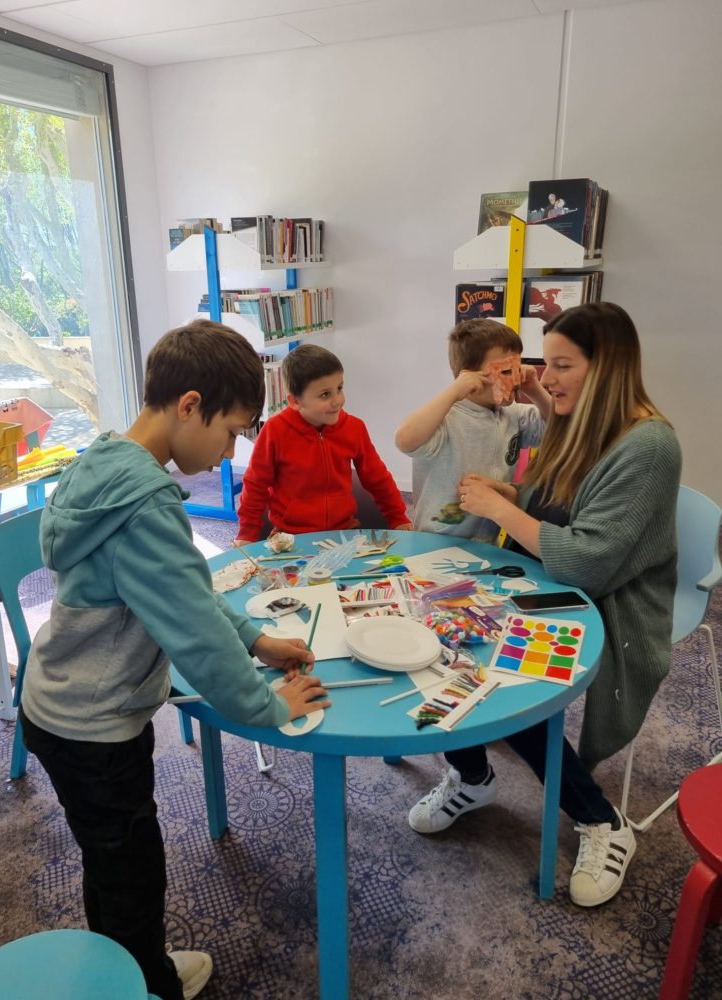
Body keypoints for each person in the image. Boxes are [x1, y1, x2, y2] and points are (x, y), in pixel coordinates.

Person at [19, 320, 331, 1000]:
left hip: (66, 707)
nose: (230, 453)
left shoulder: (109, 464)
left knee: (116, 866)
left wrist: (255, 639)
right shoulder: (145, 508)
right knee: (130, 878)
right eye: (231, 432)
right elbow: (195, 637)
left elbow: (187, 595)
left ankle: (136, 973)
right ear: (189, 404)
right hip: (91, 728)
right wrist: (269, 704)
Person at [407, 302, 682, 908]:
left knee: (509, 677)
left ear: (606, 367)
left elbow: (587, 560)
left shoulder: (650, 445)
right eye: (541, 362)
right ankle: (474, 778)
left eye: (560, 365)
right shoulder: (589, 422)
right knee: (442, 634)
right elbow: (558, 495)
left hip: (609, 601)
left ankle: (601, 820)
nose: (543, 376)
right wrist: (516, 492)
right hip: (551, 576)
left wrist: (502, 508)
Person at [235, 343, 412, 542]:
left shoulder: (354, 427)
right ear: (295, 401)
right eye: (325, 394)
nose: (338, 400)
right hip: (291, 538)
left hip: (343, 533)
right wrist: (246, 535)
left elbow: (377, 478)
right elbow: (255, 486)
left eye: (339, 388)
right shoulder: (275, 431)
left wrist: (398, 517)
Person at [395, 319, 551, 540]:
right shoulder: (445, 418)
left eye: (518, 367)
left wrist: (534, 388)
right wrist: (454, 391)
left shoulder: (513, 414)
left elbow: (562, 428)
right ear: (469, 377)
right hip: (435, 541)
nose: (515, 380)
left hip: (486, 543)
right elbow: (405, 440)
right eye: (506, 371)